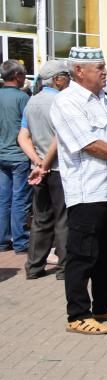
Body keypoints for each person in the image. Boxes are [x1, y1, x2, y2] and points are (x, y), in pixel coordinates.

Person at [50, 48, 107, 335]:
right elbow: (88, 143)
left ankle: (103, 304)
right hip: (88, 192)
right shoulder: (66, 102)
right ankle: (77, 314)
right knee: (82, 255)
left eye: (104, 66)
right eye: (99, 67)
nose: (104, 71)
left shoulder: (104, 100)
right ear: (79, 71)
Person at [19, 60, 69, 278]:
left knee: (41, 218)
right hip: (58, 168)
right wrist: (46, 163)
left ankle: (34, 266)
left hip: (39, 169)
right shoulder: (62, 101)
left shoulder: (32, 102)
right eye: (66, 75)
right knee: (63, 218)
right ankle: (64, 267)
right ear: (58, 79)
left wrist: (37, 162)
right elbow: (59, 138)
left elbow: (23, 136)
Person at [0, 59, 30, 254]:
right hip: (19, 155)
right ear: (18, 76)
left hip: (2, 154)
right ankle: (20, 241)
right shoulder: (22, 98)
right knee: (20, 199)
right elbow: (29, 128)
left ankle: (2, 240)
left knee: (4, 198)